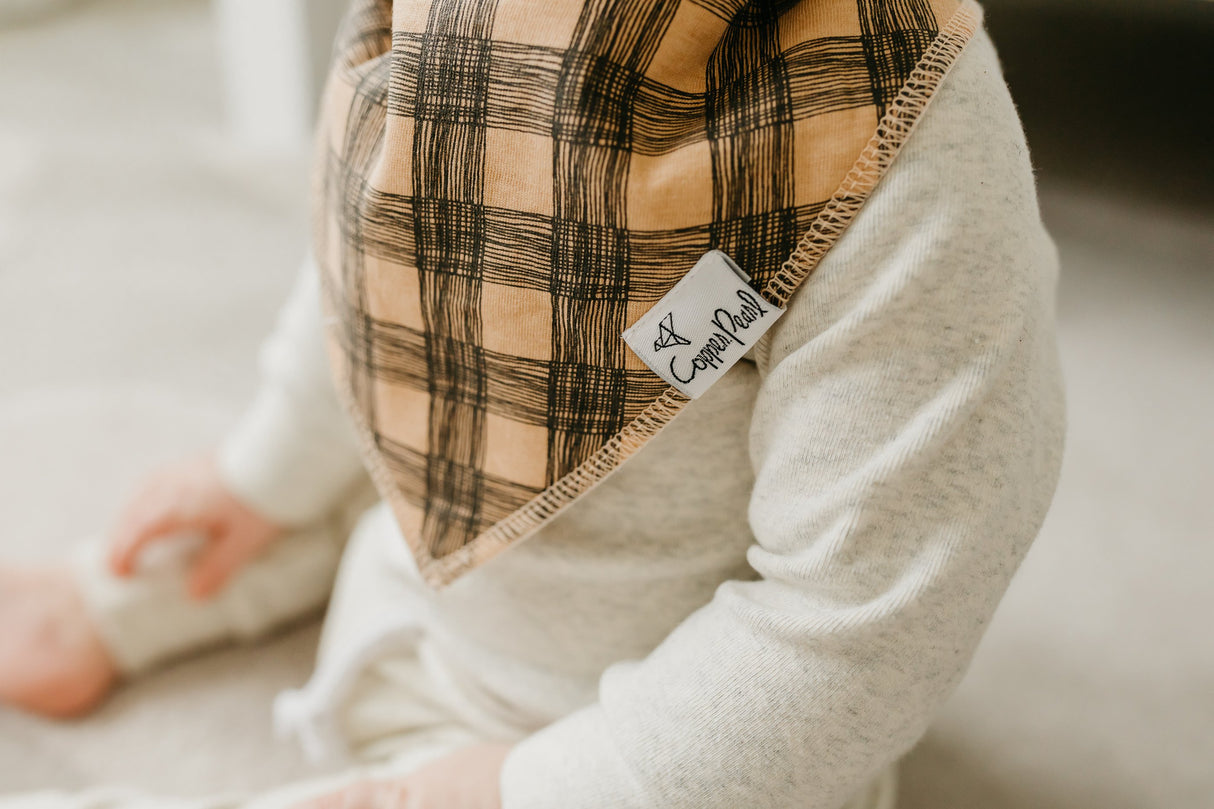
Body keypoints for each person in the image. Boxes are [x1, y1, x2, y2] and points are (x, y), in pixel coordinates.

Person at [0, 1, 1065, 807]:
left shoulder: (898, 128)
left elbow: (866, 619)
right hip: (427, 571)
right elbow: (370, 262)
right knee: (331, 479)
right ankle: (137, 594)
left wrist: (531, 785)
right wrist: (260, 475)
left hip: (660, 748)